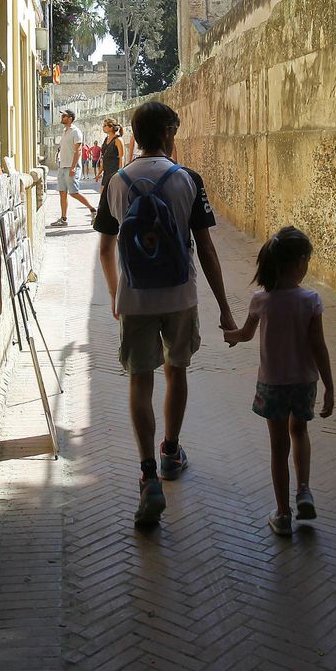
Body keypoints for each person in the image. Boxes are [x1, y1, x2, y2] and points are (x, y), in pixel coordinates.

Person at [94, 101, 237, 528]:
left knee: (140, 380)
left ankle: (147, 476)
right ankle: (171, 451)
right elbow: (206, 248)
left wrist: (117, 296)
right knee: (177, 371)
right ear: (170, 134)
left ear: (135, 136)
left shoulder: (117, 183)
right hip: (180, 296)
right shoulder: (187, 180)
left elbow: (105, 249)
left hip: (136, 299)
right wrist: (226, 309)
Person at [224, 227, 335, 536]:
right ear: (300, 261)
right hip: (304, 382)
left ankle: (283, 513)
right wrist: (329, 387)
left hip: (272, 383)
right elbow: (319, 346)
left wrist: (228, 334)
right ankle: (304, 490)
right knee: (299, 431)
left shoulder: (261, 300)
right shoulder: (311, 300)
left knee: (277, 447)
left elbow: (244, 335)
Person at [50, 109, 97, 227]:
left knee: (74, 192)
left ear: (70, 118)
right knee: (62, 192)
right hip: (62, 166)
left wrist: (73, 167)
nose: (62, 117)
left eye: (64, 116)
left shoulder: (76, 132)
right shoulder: (65, 131)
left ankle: (93, 210)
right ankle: (63, 218)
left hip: (71, 166)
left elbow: (79, 150)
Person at [99, 119, 124, 188]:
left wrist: (120, 173)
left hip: (114, 171)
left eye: (105, 125)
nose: (103, 127)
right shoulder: (106, 139)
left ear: (111, 127)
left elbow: (121, 157)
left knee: (111, 194)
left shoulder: (118, 140)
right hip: (106, 171)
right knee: (103, 193)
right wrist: (99, 172)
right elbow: (104, 156)